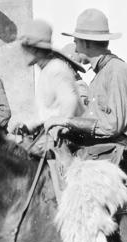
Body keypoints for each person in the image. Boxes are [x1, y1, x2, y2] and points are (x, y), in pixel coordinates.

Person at [47, 8, 127, 165]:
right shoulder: (99, 76)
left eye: (76, 40)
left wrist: (66, 121)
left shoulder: (116, 70)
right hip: (102, 149)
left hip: (120, 152)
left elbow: (111, 126)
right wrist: (67, 129)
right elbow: (93, 121)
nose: (74, 44)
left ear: (86, 43)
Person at [8, 19, 85, 154]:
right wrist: (26, 126)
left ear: (35, 49)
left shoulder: (56, 69)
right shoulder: (47, 70)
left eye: (25, 48)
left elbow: (70, 101)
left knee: (13, 153)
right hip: (49, 136)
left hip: (66, 141)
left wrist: (59, 127)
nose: (22, 52)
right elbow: (46, 115)